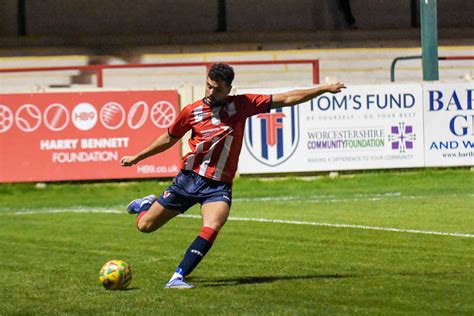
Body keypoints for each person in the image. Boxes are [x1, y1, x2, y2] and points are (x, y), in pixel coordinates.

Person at [120, 63, 346, 289]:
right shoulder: (192, 111)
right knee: (145, 226)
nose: (210, 92)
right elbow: (169, 137)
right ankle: (147, 204)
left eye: (217, 89)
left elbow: (286, 98)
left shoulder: (242, 105)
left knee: (213, 224)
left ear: (229, 89)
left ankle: (177, 277)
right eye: (208, 86)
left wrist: (323, 89)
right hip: (189, 179)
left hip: (219, 186)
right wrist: (138, 157)